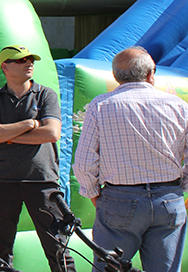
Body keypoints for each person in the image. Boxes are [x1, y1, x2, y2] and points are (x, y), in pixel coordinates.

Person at [74, 47, 188, 272]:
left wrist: (94, 194)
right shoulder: (178, 105)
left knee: (109, 268)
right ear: (150, 74)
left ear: (115, 76)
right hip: (168, 198)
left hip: (119, 197)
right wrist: (179, 188)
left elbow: (84, 162)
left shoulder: (101, 105)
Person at [0, 44, 75, 272]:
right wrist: (29, 125)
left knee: (58, 247)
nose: (29, 63)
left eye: (31, 60)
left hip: (42, 181)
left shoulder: (45, 94)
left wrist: (7, 135)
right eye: (21, 60)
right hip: (2, 181)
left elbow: (51, 133)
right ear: (5, 66)